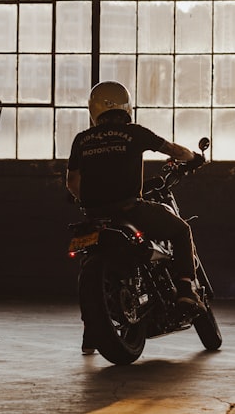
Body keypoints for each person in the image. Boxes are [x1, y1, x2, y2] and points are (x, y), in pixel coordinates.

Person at [66, 80, 202, 314]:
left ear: (94, 109)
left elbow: (72, 182)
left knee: (87, 258)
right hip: (129, 209)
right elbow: (173, 151)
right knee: (181, 230)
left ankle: (91, 330)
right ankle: (186, 289)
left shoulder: (82, 139)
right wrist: (193, 157)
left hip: (95, 216)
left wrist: (86, 202)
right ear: (126, 106)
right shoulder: (134, 133)